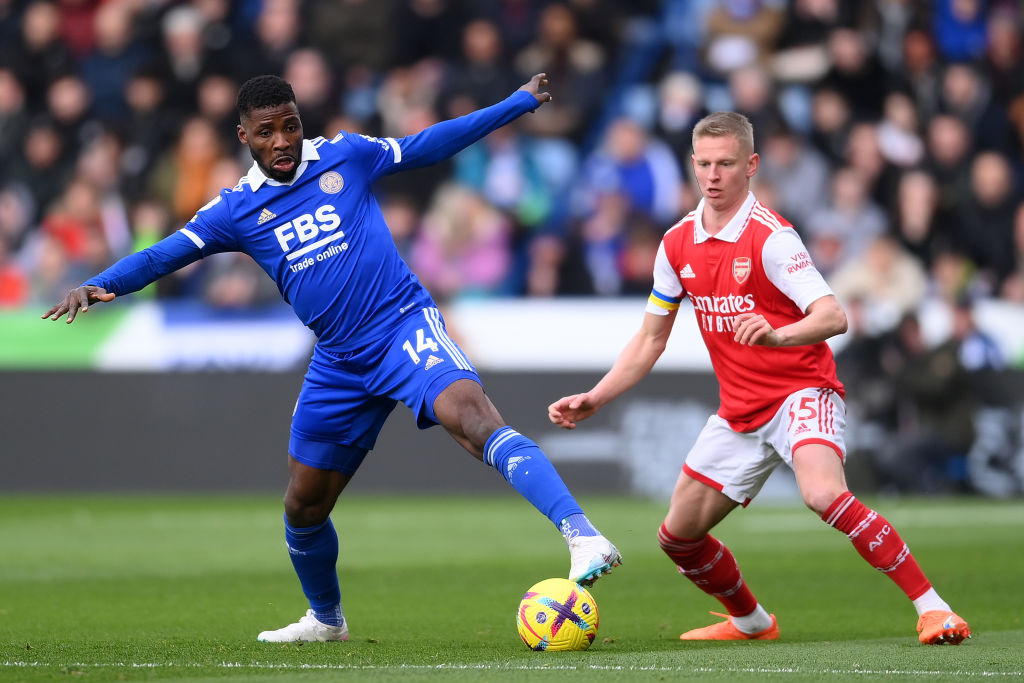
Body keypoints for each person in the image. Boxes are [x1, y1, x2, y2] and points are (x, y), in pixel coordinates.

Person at [43, 72, 621, 642]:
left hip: (401, 326)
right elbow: (165, 254)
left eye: (290, 126)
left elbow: (429, 143)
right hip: (340, 360)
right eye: (267, 131)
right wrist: (99, 284)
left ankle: (581, 534)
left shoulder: (346, 155)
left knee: (471, 419)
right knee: (304, 504)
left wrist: (512, 105)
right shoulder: (236, 210)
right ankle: (326, 619)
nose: (283, 141)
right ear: (244, 136)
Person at [548, 111, 970, 646]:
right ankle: (751, 622)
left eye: (725, 163)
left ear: (751, 165)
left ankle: (935, 610)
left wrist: (777, 335)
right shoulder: (676, 245)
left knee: (822, 494)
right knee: (677, 538)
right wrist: (597, 396)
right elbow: (651, 339)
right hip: (740, 412)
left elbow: (833, 315)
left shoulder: (774, 238)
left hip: (801, 392)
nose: (712, 175)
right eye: (703, 164)